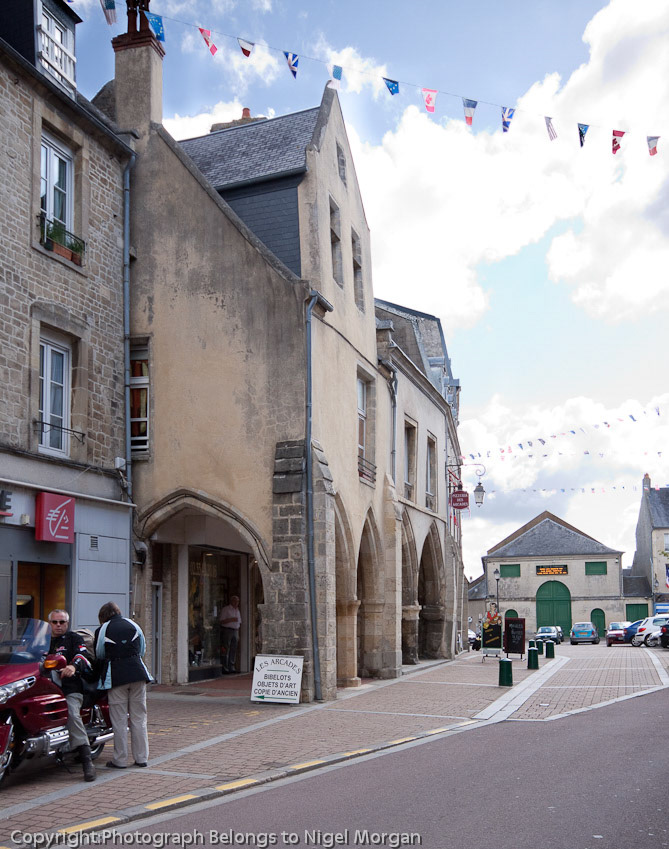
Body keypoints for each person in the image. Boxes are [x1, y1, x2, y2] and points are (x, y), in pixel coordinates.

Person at [94, 602, 151, 769]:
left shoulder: (103, 629)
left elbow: (99, 653)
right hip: (138, 674)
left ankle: (120, 760)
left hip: (116, 676)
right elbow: (142, 650)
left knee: (118, 720)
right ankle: (142, 758)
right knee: (139, 718)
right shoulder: (134, 625)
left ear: (103, 616)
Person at [48, 610, 96, 782]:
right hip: (46, 688)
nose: (58, 625)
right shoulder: (42, 640)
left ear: (67, 623)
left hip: (69, 688)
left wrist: (73, 666)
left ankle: (86, 760)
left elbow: (82, 654)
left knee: (71, 713)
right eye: (55, 622)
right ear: (50, 623)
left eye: (62, 622)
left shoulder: (74, 639)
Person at [219, 595, 241, 673]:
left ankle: (231, 666)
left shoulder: (237, 610)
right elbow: (221, 621)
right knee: (226, 649)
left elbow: (239, 621)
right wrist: (231, 619)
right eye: (235, 601)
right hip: (227, 630)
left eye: (237, 601)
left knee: (233, 649)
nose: (236, 603)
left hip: (235, 631)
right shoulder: (226, 609)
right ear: (231, 601)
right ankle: (225, 667)